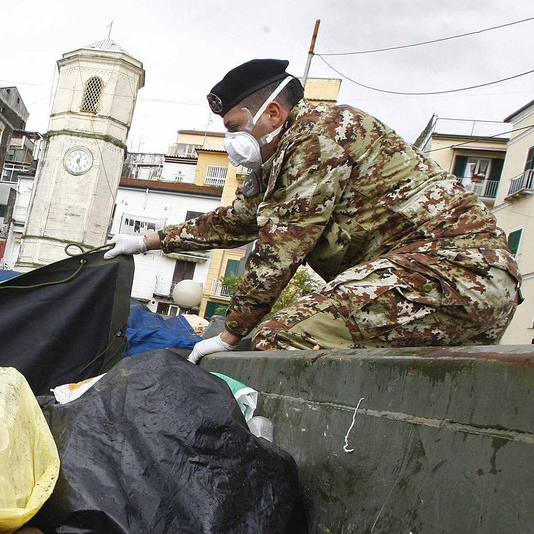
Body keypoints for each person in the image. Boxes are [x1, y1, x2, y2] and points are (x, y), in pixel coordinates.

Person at [106, 59, 521, 363]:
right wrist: (146, 241)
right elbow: (236, 221)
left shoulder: (320, 136)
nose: (231, 139)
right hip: (431, 282)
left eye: (234, 127)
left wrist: (229, 334)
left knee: (282, 339)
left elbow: (279, 248)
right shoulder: (276, 159)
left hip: (457, 274)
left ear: (272, 113)